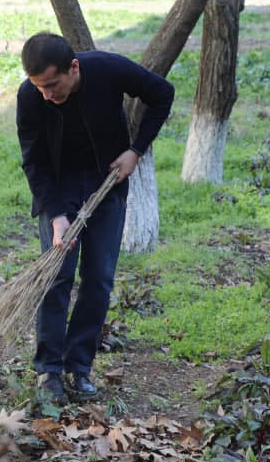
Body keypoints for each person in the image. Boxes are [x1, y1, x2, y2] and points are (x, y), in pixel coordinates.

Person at [16, 32, 174, 404]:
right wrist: (55, 216)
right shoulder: (30, 96)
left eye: (52, 85)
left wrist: (136, 151)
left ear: (73, 68)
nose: (46, 95)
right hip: (59, 190)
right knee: (56, 277)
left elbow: (162, 93)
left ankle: (79, 368)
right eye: (39, 87)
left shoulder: (107, 68)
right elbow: (34, 162)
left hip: (106, 186)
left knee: (98, 281)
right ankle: (49, 371)